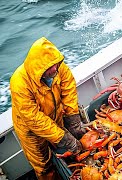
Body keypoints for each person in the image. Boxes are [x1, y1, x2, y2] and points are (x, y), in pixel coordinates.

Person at [10, 37, 86, 180]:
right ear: (38, 69)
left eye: (55, 65)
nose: (54, 69)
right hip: (31, 129)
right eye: (49, 68)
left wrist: (73, 119)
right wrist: (64, 138)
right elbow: (33, 118)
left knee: (65, 146)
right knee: (43, 165)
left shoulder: (58, 66)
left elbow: (69, 90)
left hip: (55, 116)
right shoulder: (19, 83)